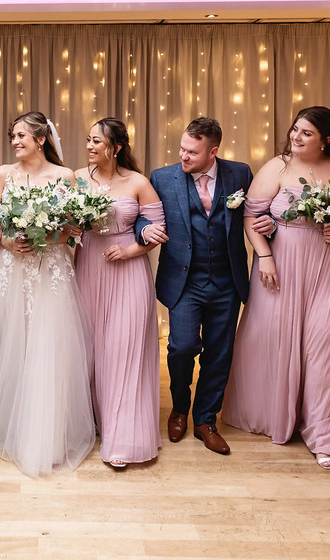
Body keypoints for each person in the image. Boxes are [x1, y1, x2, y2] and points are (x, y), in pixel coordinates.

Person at [221, 106, 330, 469]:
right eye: (295, 130)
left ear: (327, 140)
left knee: (327, 346)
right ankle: (278, 416)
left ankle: (324, 433)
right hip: (281, 266)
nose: (296, 137)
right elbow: (252, 217)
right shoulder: (278, 167)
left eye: (306, 133)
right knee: (275, 340)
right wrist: (265, 257)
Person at [0, 111, 96, 477]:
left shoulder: (64, 176)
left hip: (51, 269)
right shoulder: (3, 174)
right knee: (12, 344)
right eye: (13, 136)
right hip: (12, 267)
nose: (15, 142)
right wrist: (9, 241)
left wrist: (44, 237)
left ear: (41, 140)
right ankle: (10, 421)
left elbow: (74, 227)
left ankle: (48, 434)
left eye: (21, 135)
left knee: (48, 346)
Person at [135, 117, 253, 456]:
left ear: (213, 151)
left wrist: (267, 222)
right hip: (184, 280)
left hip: (227, 280)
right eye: (182, 149)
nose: (183, 156)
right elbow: (143, 214)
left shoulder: (240, 174)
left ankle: (206, 419)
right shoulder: (161, 177)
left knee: (220, 352)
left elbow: (257, 208)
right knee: (182, 347)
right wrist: (144, 229)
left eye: (192, 151)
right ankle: (180, 407)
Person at [73, 117, 165, 468]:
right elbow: (68, 224)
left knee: (123, 352)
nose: (90, 147)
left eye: (97, 141)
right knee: (90, 348)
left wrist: (130, 250)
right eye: (88, 140)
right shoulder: (78, 179)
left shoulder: (138, 182)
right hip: (88, 270)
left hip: (127, 271)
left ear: (117, 147)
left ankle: (123, 436)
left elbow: (158, 231)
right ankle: (95, 421)